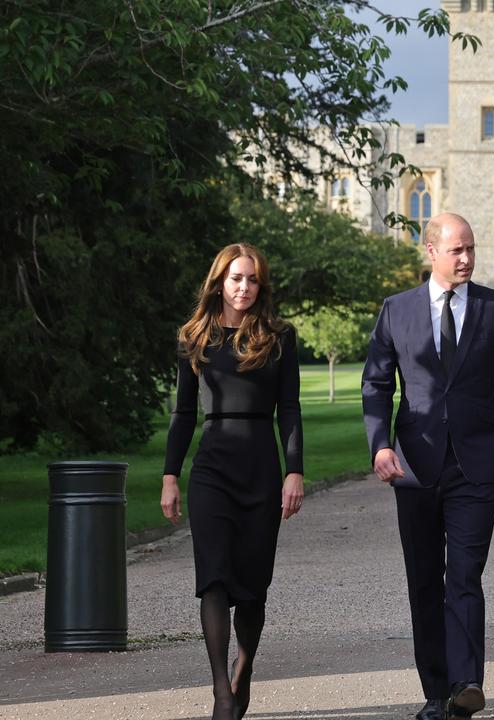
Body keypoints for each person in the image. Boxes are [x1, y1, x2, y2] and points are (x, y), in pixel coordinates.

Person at [362, 212, 494, 720]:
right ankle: (435, 693)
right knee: (423, 580)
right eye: (456, 250)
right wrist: (379, 445)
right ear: (431, 252)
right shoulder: (397, 310)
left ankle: (466, 681)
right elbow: (375, 384)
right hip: (414, 467)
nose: (466, 258)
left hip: (477, 468)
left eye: (471, 249)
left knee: (464, 574)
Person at [161, 243, 305, 720]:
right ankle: (222, 691)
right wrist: (170, 476)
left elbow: (290, 411)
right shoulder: (194, 337)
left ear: (261, 286)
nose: (243, 287)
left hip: (261, 469)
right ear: (219, 280)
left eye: (252, 279)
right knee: (214, 580)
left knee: (253, 586)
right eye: (235, 278)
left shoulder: (280, 337)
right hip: (212, 471)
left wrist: (294, 472)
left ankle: (244, 668)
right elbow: (183, 415)